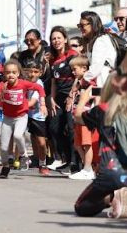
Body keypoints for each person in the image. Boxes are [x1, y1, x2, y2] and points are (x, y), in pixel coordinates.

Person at [74, 79, 127, 220]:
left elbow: (78, 117)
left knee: (81, 206)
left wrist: (83, 100)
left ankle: (111, 197)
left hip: (114, 175)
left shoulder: (103, 110)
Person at [0, 59, 46, 179]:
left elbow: (39, 88)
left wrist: (42, 103)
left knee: (17, 135)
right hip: (7, 118)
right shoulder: (2, 85)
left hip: (21, 116)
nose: (10, 75)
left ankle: (24, 155)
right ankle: (5, 167)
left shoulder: (23, 83)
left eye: (13, 72)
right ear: (4, 74)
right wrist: (1, 94)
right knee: (3, 147)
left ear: (18, 74)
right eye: (7, 72)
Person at [47, 26, 78, 172]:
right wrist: (52, 98)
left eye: (59, 37)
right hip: (58, 97)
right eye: (53, 38)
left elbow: (79, 76)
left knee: (72, 129)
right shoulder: (53, 59)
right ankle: (62, 158)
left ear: (65, 39)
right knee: (54, 127)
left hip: (72, 95)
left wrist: (72, 95)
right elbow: (53, 81)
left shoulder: (72, 55)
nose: (56, 41)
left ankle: (75, 161)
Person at [79, 11, 117, 89]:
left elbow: (95, 68)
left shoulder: (100, 40)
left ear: (93, 25)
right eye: (79, 25)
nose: (80, 28)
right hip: (102, 82)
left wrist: (81, 81)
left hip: (105, 82)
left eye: (83, 25)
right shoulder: (93, 41)